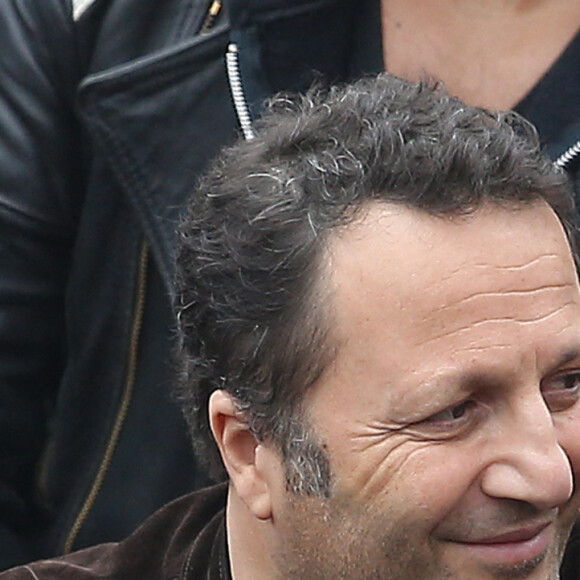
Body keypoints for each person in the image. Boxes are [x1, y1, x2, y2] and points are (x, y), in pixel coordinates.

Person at [2, 0, 580, 571]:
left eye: (569, 383)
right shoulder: (109, 27)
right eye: (452, 411)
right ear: (247, 449)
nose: (551, 476)